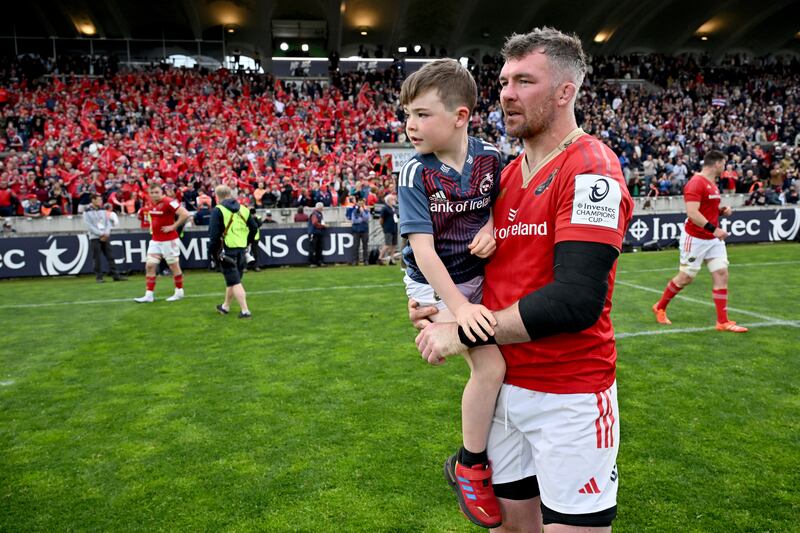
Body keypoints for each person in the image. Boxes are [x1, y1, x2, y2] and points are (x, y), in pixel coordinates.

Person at [411, 28, 633, 532]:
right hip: (506, 393)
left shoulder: (591, 170)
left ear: (564, 93)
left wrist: (463, 332)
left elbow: (576, 300)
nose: (506, 93)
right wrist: (441, 309)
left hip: (570, 398)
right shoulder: (506, 175)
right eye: (504, 80)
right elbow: (476, 267)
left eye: (524, 81)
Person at [398, 58, 505, 528]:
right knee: (492, 365)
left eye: (422, 114)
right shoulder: (414, 175)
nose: (410, 125)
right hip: (436, 282)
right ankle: (471, 465)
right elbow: (423, 251)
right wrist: (456, 309)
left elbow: (506, 208)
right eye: (407, 114)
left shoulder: (493, 159)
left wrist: (494, 224)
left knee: (515, 362)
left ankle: (498, 460)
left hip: (480, 276)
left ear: (460, 116)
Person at [653, 150, 748, 332]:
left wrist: (721, 211)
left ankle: (722, 321)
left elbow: (705, 208)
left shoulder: (712, 184)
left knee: (721, 274)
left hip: (712, 240)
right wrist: (715, 229)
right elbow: (692, 213)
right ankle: (661, 307)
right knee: (685, 278)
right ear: (717, 163)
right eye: (724, 163)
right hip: (695, 238)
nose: (725, 167)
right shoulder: (696, 183)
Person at [208, 185, 259, 318]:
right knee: (233, 280)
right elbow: (254, 229)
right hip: (242, 251)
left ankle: (245, 310)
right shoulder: (243, 209)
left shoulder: (218, 210)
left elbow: (214, 236)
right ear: (230, 194)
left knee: (235, 282)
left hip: (227, 250)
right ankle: (225, 306)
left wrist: (213, 253)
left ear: (216, 196)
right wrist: (247, 242)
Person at [134, 183, 190, 303]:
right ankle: (149, 295)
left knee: (173, 266)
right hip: (155, 240)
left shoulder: (169, 201)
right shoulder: (149, 203)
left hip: (169, 240)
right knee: (150, 265)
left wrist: (173, 226)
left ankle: (179, 292)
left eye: (156, 192)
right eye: (152, 192)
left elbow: (185, 213)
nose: (154, 195)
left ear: (162, 192)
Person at [83, 193, 126, 283]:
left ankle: (116, 275)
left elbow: (108, 222)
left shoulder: (103, 210)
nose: (101, 201)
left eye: (101, 200)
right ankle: (99, 277)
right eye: (99, 200)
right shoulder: (87, 211)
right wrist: (101, 234)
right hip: (95, 237)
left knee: (110, 256)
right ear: (93, 200)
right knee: (97, 258)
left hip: (105, 236)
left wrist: (106, 233)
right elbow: (89, 226)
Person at [348, 198, 370, 265]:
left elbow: (366, 219)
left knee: (365, 246)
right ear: (357, 203)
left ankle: (365, 260)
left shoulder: (366, 211)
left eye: (362, 203)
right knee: (356, 246)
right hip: (356, 230)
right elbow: (354, 220)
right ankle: (355, 260)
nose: (361, 204)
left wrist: (362, 212)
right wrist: (361, 220)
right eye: (359, 203)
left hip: (364, 230)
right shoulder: (354, 211)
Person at [378, 193, 399, 264]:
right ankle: (380, 258)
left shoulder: (394, 208)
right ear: (388, 200)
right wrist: (383, 226)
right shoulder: (385, 208)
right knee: (387, 244)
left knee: (394, 244)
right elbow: (381, 219)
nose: (393, 200)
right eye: (392, 199)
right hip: (388, 228)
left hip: (394, 228)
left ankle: (391, 259)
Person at [307, 202, 327, 267]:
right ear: (319, 207)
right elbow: (315, 223)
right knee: (313, 248)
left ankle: (319, 262)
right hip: (314, 233)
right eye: (322, 207)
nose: (323, 208)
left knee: (319, 248)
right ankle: (312, 263)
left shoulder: (319, 214)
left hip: (318, 233)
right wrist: (323, 226)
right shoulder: (314, 214)